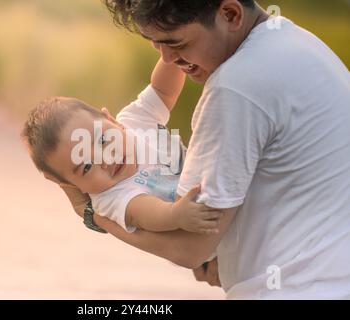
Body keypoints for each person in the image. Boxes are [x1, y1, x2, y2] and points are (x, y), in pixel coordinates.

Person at [60, 0, 350, 299]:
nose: (168, 59)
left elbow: (191, 248)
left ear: (230, 14)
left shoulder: (235, 87)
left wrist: (95, 213)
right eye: (156, 44)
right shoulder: (297, 42)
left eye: (176, 43)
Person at [22, 59, 224, 236]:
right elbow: (143, 211)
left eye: (102, 140)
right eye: (86, 167)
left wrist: (174, 55)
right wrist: (176, 215)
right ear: (73, 186)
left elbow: (162, 90)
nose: (106, 160)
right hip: (210, 228)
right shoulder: (109, 198)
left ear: (111, 119)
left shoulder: (133, 121)